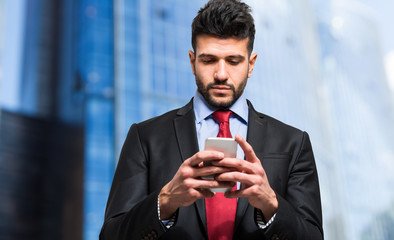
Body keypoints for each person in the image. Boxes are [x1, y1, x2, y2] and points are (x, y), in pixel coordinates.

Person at [99, 0, 323, 239]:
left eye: (234, 61)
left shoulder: (293, 143)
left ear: (251, 64)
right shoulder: (146, 138)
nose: (221, 74)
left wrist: (271, 203)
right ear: (192, 62)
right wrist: (166, 200)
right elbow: (111, 235)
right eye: (208, 60)